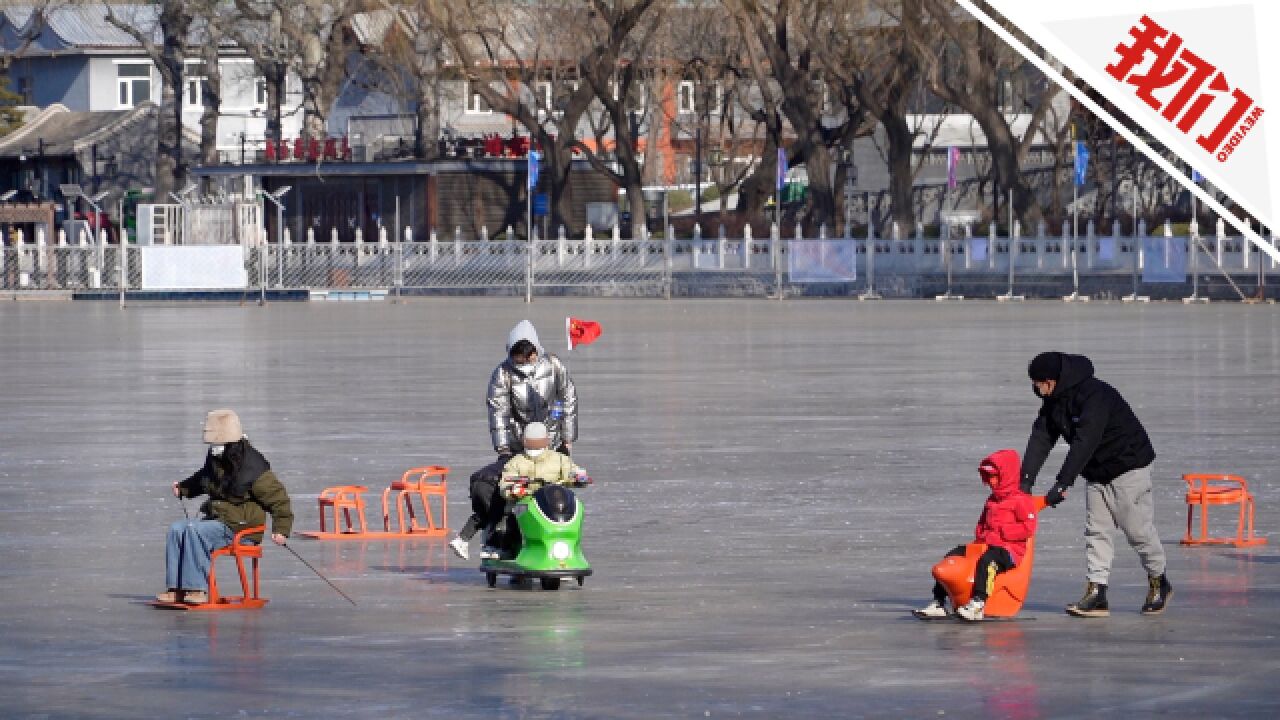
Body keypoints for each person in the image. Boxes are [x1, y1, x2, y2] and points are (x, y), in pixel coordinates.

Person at [1022, 351, 1172, 617]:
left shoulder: (1095, 395)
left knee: (1137, 531)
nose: (1035, 388)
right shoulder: (1053, 402)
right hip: (1096, 471)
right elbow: (1041, 437)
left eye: (1037, 382)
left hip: (1128, 466)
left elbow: (1085, 441)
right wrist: (1025, 481)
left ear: (1051, 380)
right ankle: (1097, 593)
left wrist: (1062, 483)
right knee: (1096, 531)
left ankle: (1158, 580)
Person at [449, 320, 578, 560]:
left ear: (536, 350)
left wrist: (566, 441)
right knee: (499, 487)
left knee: (556, 489)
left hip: (550, 443)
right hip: (519, 446)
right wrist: (504, 449)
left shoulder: (553, 365)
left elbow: (567, 400)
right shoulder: (503, 374)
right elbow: (498, 412)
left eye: (529, 354)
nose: (525, 360)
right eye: (519, 355)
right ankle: (501, 536)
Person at [157, 409, 293, 604]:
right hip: (220, 519)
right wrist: (184, 488)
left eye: (216, 443)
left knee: (194, 530)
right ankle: (176, 588)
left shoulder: (252, 465)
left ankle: (196, 589)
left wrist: (282, 530)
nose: (213, 447)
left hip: (242, 527)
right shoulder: (216, 457)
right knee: (177, 529)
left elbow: (279, 499)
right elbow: (204, 478)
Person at [915, 449, 1038, 622]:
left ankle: (978, 603)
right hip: (985, 544)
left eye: (996, 477)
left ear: (1006, 475)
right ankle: (939, 602)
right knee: (953, 556)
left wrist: (1003, 532)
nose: (992, 482)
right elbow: (981, 523)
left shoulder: (1021, 500)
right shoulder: (992, 499)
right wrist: (982, 536)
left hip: (1009, 550)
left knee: (989, 562)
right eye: (989, 478)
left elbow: (1028, 528)